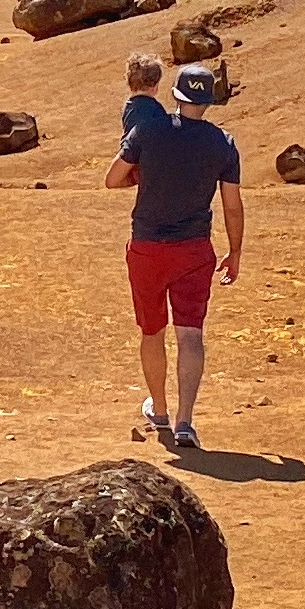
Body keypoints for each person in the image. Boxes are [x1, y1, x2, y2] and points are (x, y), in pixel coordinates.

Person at [105, 52, 243, 453]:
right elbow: (232, 205)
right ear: (210, 101)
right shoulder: (223, 143)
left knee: (152, 331)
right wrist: (235, 252)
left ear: (176, 95)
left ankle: (160, 410)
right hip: (195, 249)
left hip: (148, 247)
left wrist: (142, 177)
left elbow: (112, 179)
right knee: (190, 333)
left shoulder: (151, 131)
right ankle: (186, 421)